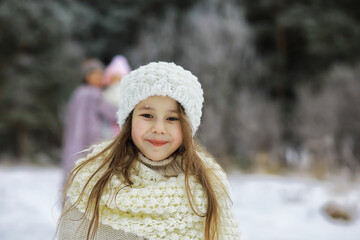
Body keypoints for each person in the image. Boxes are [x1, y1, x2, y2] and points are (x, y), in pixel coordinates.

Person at [57, 62, 241, 240]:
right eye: (147, 115)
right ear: (129, 119)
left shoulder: (208, 184)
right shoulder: (92, 178)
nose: (159, 128)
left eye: (172, 118)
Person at [61, 58, 118, 181]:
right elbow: (111, 112)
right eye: (95, 74)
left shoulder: (78, 93)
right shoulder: (94, 94)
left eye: (100, 74)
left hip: (74, 139)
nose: (99, 78)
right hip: (89, 138)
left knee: (73, 170)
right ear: (87, 76)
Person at [101, 55, 131, 139]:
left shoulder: (125, 91)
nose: (116, 79)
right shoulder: (106, 91)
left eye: (118, 76)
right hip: (107, 127)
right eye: (114, 76)